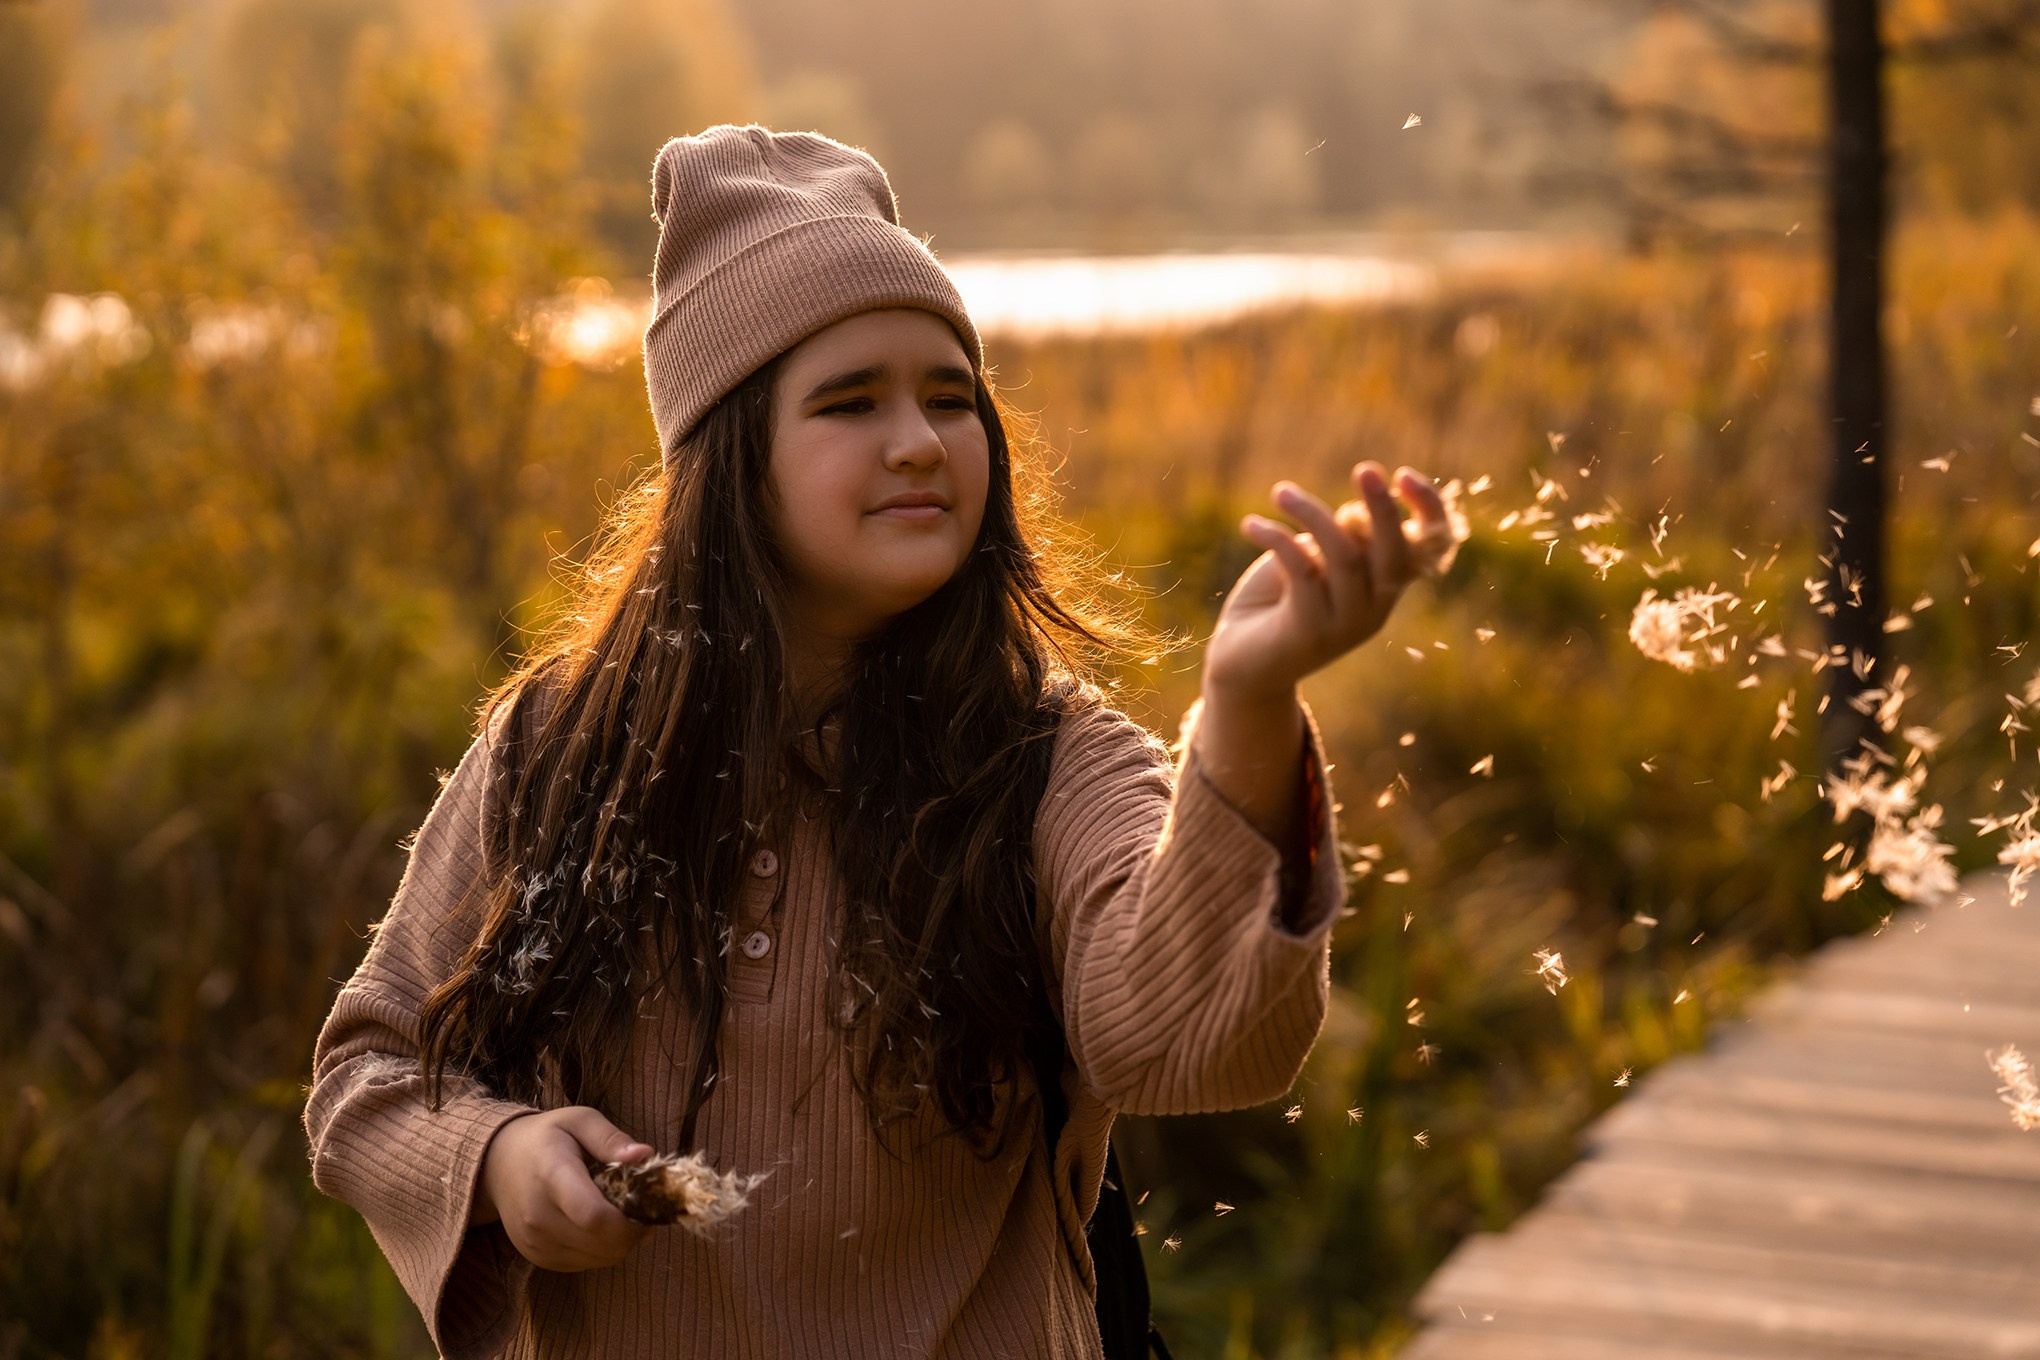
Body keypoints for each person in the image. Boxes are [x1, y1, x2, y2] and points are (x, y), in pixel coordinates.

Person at [303, 124, 1451, 1360]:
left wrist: (1248, 701)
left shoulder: (1049, 757)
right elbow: (364, 1076)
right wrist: (497, 1156)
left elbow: (1190, 1044)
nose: (920, 438)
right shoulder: (557, 751)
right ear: (730, 463)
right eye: (851, 401)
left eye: (950, 397)